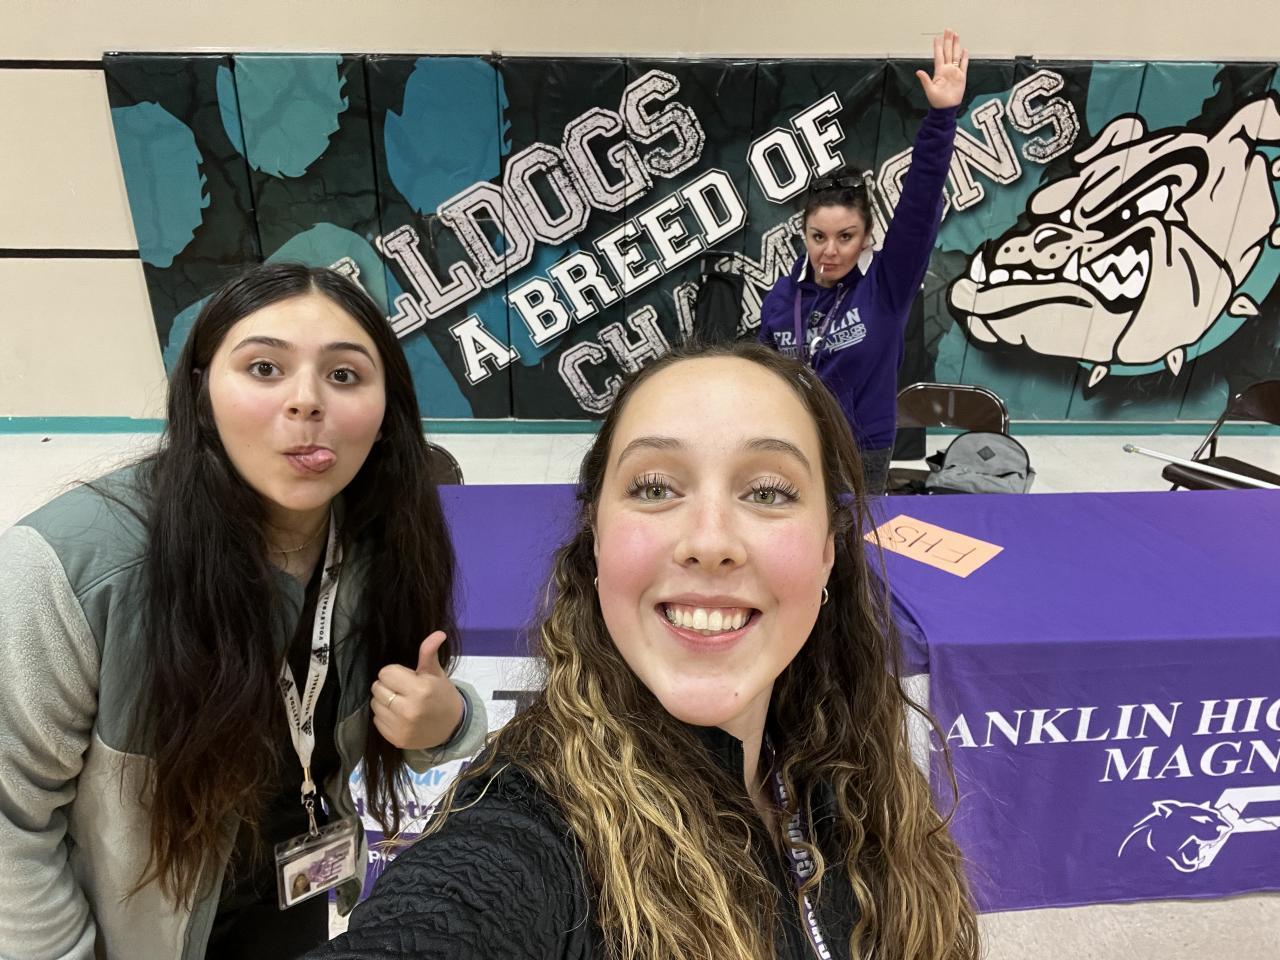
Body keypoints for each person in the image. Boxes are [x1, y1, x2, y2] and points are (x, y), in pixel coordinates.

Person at [311, 341, 978, 960]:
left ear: (829, 550)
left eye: (768, 492)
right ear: (596, 538)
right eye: (655, 487)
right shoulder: (528, 832)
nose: (709, 541)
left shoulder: (851, 772)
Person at [0, 263, 488, 959]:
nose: (306, 401)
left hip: (294, 888)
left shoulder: (385, 540)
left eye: (344, 375)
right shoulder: (66, 569)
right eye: (264, 368)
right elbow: (11, 822)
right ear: (201, 392)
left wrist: (449, 721)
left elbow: (417, 697)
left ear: (387, 412)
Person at [759, 29, 968, 495]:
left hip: (862, 450)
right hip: (793, 444)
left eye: (845, 236)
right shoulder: (783, 296)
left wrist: (941, 117)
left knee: (854, 536)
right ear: (804, 234)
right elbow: (762, 375)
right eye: (818, 236)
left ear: (866, 237)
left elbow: (919, 204)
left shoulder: (886, 285)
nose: (830, 250)